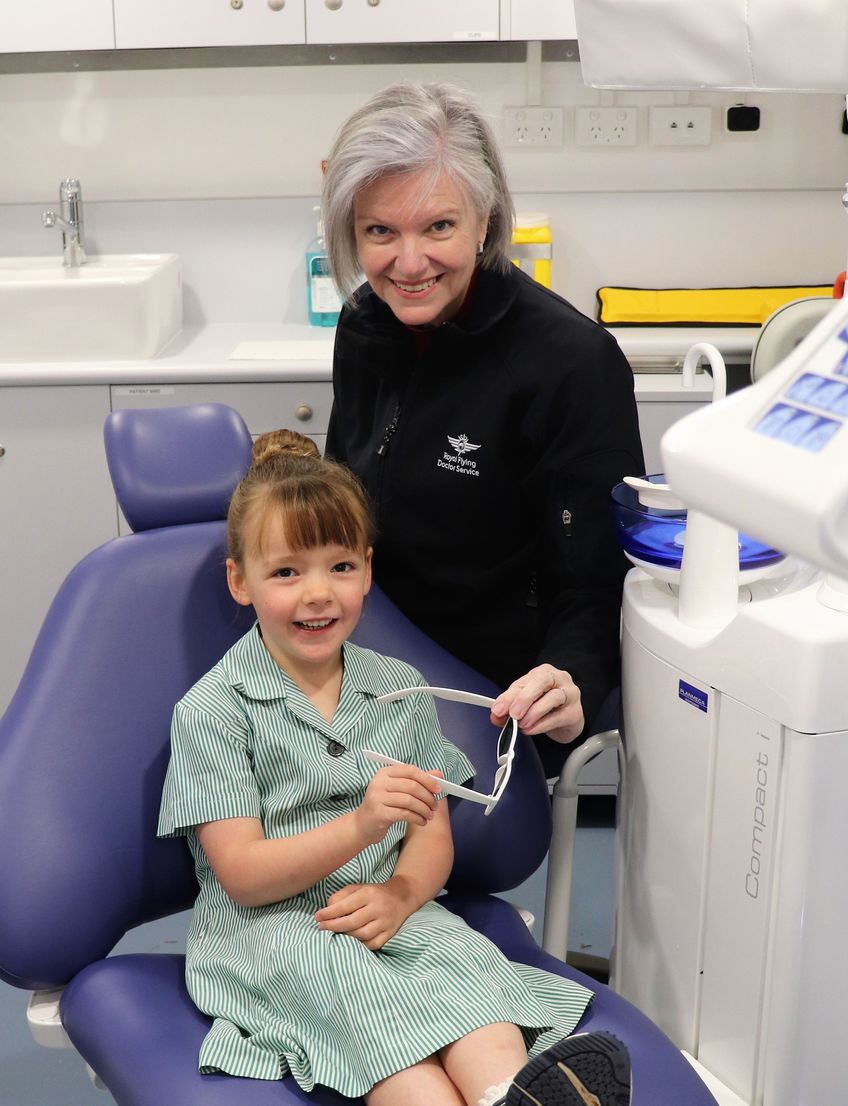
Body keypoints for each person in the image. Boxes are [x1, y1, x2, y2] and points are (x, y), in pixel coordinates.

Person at [157, 430, 632, 1106]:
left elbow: (429, 833)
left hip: (390, 901)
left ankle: (511, 1096)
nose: (318, 594)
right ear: (241, 581)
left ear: (368, 570)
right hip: (277, 929)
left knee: (466, 978)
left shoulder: (399, 690)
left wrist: (404, 895)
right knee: (385, 1032)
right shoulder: (214, 710)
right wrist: (359, 827)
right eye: (287, 572)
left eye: (340, 567)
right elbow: (242, 877)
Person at [323, 82, 645, 778]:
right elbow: (340, 517)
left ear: (485, 218)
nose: (409, 265)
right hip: (360, 666)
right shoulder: (363, 326)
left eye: (438, 227)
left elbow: (592, 584)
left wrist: (572, 675)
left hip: (484, 698)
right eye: (381, 232)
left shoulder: (569, 363)